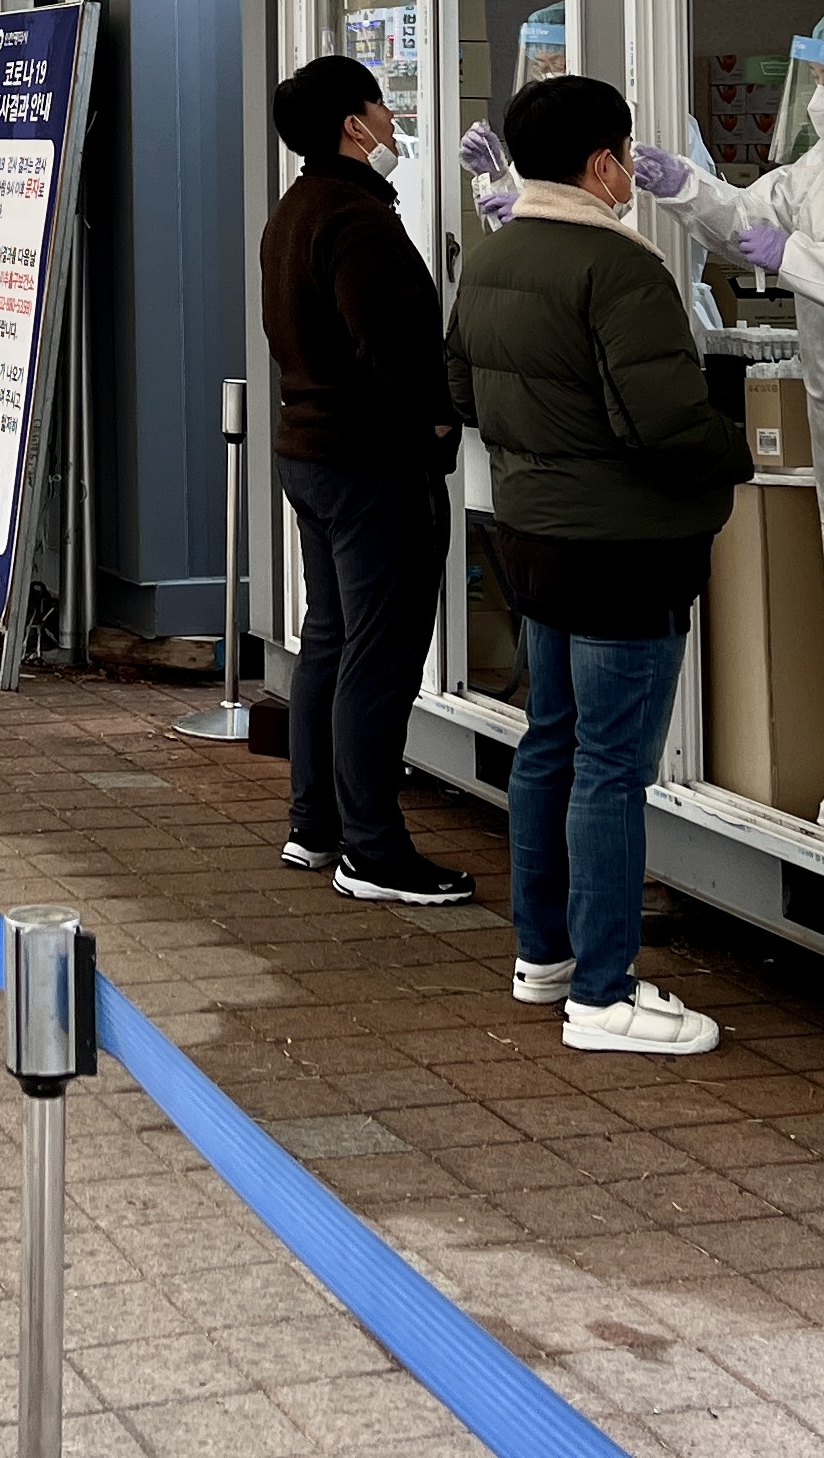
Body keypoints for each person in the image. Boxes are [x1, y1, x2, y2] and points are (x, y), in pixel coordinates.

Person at [451, 73, 746, 1056]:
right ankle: (603, 994)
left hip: (532, 538)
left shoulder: (494, 257)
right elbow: (666, 423)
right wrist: (737, 445)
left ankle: (544, 956)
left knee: (551, 742)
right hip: (626, 551)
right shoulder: (620, 268)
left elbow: (462, 390)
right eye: (623, 153)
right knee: (613, 768)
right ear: (601, 163)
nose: (628, 172)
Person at [629, 7, 824, 833]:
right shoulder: (818, 167)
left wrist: (792, 256)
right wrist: (685, 187)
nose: (823, 94)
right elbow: (748, 221)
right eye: (821, 76)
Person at [260, 55, 471, 907]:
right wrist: (437, 419)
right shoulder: (356, 220)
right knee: (378, 657)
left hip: (310, 453)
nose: (392, 120)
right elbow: (392, 342)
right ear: (354, 125)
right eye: (382, 107)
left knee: (332, 638)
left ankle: (315, 826)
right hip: (370, 464)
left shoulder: (297, 209)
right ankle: (374, 850)